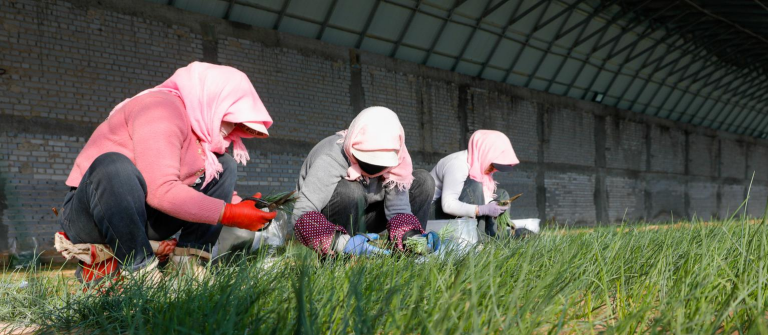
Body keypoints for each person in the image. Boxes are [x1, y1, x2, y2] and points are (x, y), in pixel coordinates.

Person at [57, 61, 275, 282]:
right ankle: (140, 272)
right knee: (114, 166)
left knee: (225, 164)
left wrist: (239, 205)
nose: (231, 130)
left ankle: (188, 263)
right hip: (94, 214)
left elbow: (198, 179)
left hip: (143, 215)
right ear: (213, 101)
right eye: (230, 119)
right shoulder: (160, 108)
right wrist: (229, 213)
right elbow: (162, 190)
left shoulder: (197, 128)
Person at [292, 107, 437, 256]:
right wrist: (341, 243)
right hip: (333, 219)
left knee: (424, 181)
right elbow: (302, 214)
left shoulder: (398, 158)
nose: (374, 167)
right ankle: (341, 258)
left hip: (369, 216)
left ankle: (410, 252)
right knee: (350, 191)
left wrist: (411, 236)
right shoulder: (331, 155)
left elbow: (398, 210)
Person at [430, 130, 520, 236]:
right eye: (492, 165)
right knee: (475, 186)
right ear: (485, 153)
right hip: (434, 213)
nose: (493, 170)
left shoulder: (479, 165)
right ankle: (480, 240)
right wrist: (480, 210)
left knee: (502, 195)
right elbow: (448, 205)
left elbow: (484, 197)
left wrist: (493, 205)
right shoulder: (458, 164)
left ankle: (497, 237)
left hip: (458, 210)